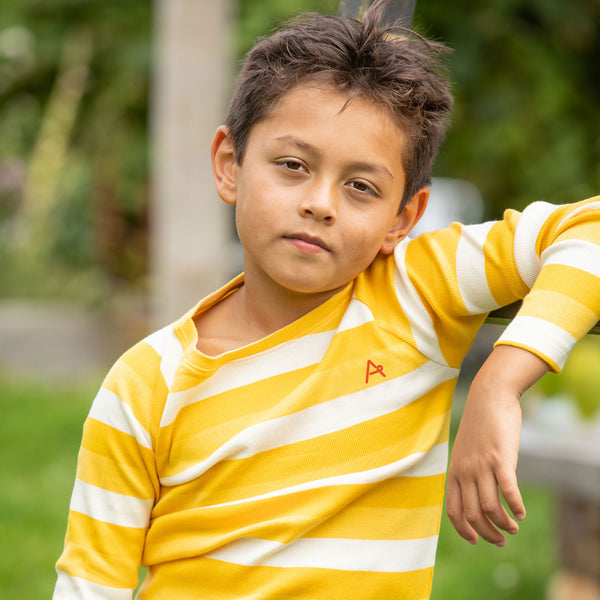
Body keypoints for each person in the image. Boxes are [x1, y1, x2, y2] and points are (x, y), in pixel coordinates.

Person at [53, 1, 600, 598]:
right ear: (230, 164)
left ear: (403, 218)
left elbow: (589, 230)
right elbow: (90, 584)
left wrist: (501, 381)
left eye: (361, 187)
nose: (321, 203)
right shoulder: (145, 384)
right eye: (292, 166)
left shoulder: (416, 293)